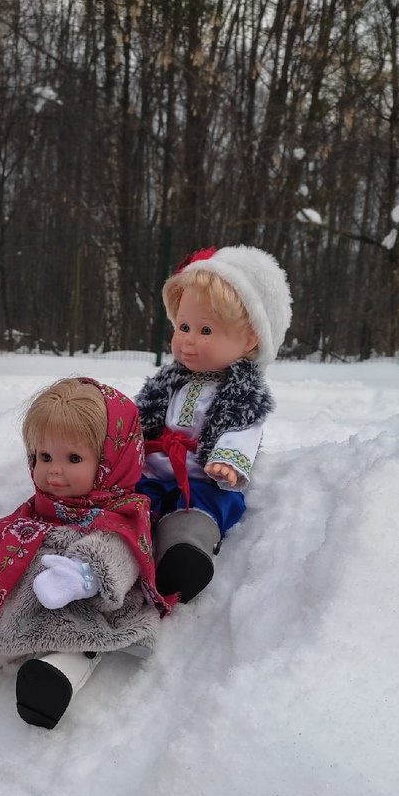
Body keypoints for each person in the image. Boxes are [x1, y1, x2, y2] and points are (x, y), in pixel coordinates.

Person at [0, 377, 172, 729]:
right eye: (44, 456)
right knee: (11, 619)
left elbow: (119, 555)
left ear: (112, 460)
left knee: (77, 640)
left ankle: (58, 674)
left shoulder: (122, 515)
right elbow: (16, 529)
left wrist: (83, 577)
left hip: (87, 606)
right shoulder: (42, 506)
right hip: (31, 599)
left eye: (73, 458)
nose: (54, 470)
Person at [135, 244, 292, 602]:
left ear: (250, 339)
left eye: (205, 331)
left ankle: (184, 553)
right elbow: (139, 416)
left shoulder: (240, 394)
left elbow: (242, 431)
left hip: (203, 479)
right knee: (135, 502)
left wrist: (228, 460)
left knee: (203, 509)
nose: (188, 340)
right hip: (157, 473)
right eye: (184, 326)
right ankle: (123, 546)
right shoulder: (167, 382)